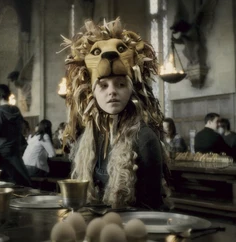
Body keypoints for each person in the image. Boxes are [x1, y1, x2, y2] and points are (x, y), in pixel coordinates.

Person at [62, 18, 168, 209]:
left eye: (120, 84)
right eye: (103, 85)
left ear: (132, 89)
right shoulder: (85, 141)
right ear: (92, 91)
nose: (112, 92)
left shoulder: (144, 139)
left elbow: (152, 209)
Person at [0, 84, 31, 186]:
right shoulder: (16, 110)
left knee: (2, 183)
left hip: (1, 152)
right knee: (20, 179)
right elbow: (21, 127)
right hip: (14, 149)